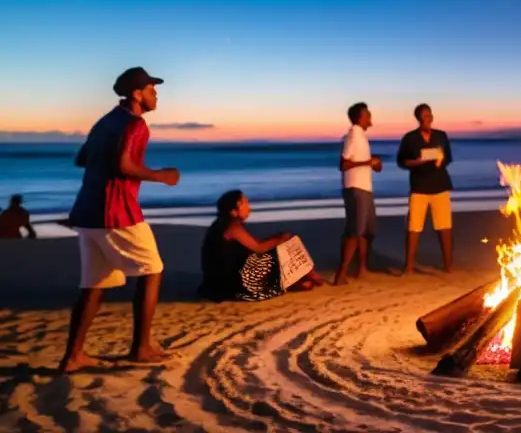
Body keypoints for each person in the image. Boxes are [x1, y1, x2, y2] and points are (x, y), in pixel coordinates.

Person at [58, 67, 180, 373]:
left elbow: (81, 159)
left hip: (87, 211)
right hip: (117, 212)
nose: (156, 95)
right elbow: (125, 166)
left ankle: (73, 356)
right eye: (152, 90)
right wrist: (162, 176)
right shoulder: (135, 124)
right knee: (152, 270)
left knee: (94, 284)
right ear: (137, 94)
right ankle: (141, 348)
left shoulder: (105, 122)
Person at [199, 190, 324, 302]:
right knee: (279, 251)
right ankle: (310, 275)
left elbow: (254, 244)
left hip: (219, 282)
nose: (249, 207)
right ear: (233, 211)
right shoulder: (232, 227)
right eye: (245, 204)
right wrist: (281, 239)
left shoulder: (221, 225)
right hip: (233, 283)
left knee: (276, 248)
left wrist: (277, 239)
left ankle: (304, 276)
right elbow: (259, 247)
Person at [397, 104, 454, 274]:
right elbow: (402, 161)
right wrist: (417, 162)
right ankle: (408, 267)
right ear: (418, 118)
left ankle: (448, 266)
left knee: (444, 227)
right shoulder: (409, 138)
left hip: (440, 185)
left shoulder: (441, 136)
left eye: (429, 115)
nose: (427, 119)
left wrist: (439, 160)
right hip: (419, 187)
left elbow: (448, 157)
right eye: (423, 116)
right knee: (414, 227)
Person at [333, 102, 383, 285]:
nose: (370, 117)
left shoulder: (361, 136)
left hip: (365, 188)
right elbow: (343, 164)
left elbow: (365, 162)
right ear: (360, 117)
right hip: (355, 188)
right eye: (368, 114)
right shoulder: (353, 134)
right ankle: (342, 272)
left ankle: (362, 268)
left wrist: (374, 164)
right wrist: (368, 163)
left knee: (367, 231)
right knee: (355, 231)